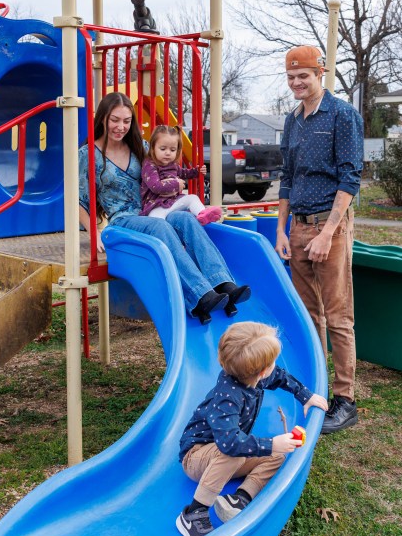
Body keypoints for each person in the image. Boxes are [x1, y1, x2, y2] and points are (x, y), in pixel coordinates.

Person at [78, 92, 250, 323]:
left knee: (187, 219)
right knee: (161, 228)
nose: (121, 126)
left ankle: (223, 283)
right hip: (124, 220)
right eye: (114, 120)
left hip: (155, 210)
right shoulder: (89, 154)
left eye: (127, 121)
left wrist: (177, 183)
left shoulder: (142, 146)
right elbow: (79, 199)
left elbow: (168, 168)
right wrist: (93, 231)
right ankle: (199, 295)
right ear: (102, 119)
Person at [274, 45, 363, 435]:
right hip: (298, 227)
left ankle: (345, 400)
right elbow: (287, 177)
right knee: (309, 316)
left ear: (320, 74)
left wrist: (328, 232)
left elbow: (350, 177)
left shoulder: (342, 115)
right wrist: (281, 229)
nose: (296, 83)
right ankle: (319, 387)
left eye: (303, 76)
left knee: (339, 317)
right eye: (291, 77)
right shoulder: (293, 121)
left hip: (331, 226)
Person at [175, 321, 329, 536]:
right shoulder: (228, 396)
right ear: (262, 370)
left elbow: (281, 376)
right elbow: (229, 444)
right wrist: (271, 443)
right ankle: (193, 513)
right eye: (272, 363)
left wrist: (306, 396)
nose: (274, 368)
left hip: (228, 452)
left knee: (276, 456)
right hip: (197, 458)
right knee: (238, 452)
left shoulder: (255, 375)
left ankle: (239, 498)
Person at [141, 124, 222, 225]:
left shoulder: (172, 164)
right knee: (157, 221)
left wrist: (197, 171)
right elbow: (155, 186)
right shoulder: (150, 165)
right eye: (163, 149)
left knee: (192, 198)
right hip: (156, 206)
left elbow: (183, 173)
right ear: (153, 148)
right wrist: (176, 184)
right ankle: (162, 236)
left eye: (172, 150)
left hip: (173, 202)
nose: (168, 153)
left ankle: (203, 215)